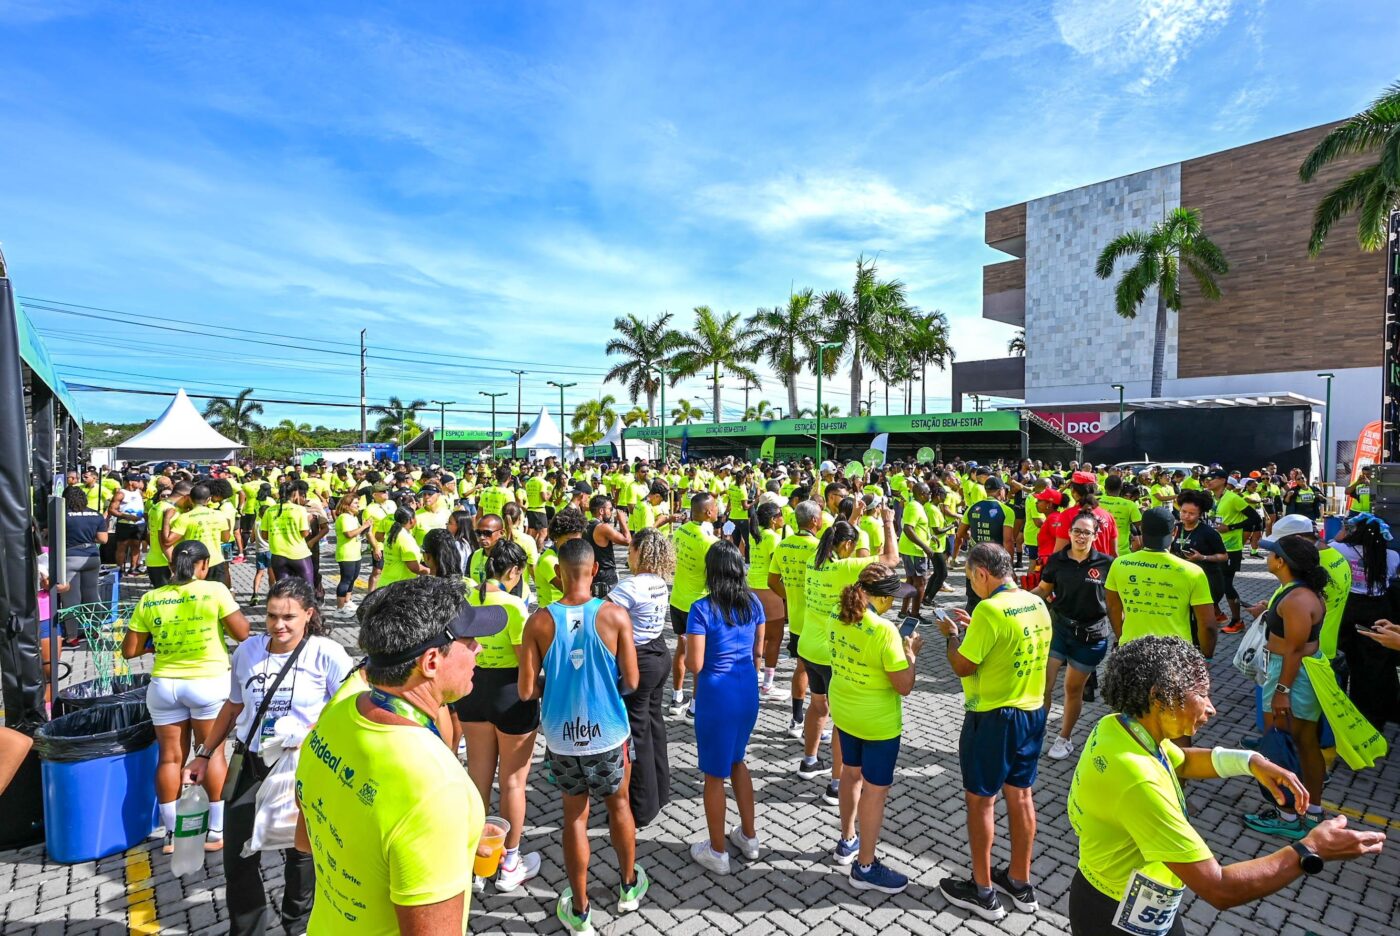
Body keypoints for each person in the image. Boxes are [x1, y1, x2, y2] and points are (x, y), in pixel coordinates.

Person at [1066, 635, 1385, 935]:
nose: (1211, 707)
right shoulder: (1140, 783)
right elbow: (1219, 888)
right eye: (1201, 694)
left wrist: (1250, 761)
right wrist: (1311, 849)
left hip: (1119, 898)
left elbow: (1183, 761)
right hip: (1119, 917)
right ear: (1158, 696)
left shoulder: (1119, 727)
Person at [295, 575, 506, 934]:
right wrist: (437, 835)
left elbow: (306, 840)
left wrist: (448, 845)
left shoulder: (337, 711)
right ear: (431, 662)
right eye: (469, 641)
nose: (479, 650)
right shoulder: (439, 790)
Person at [188, 577, 352, 936]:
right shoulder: (247, 652)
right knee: (238, 855)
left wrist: (309, 733)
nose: (279, 625)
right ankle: (247, 928)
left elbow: (348, 709)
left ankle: (299, 925)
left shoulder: (326, 654)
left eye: (289, 617)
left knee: (301, 853)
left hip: (304, 766)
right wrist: (204, 753)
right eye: (272, 616)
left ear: (309, 614)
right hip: (252, 762)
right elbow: (233, 707)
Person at [518, 538, 647, 934]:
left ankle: (580, 910)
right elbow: (632, 681)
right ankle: (628, 888)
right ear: (594, 570)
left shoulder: (538, 622)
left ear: (558, 574)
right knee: (619, 806)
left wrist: (554, 684)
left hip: (562, 738)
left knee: (574, 818)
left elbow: (526, 690)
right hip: (608, 734)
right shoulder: (615, 615)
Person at [937, 543, 1051, 922]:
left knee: (981, 801)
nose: (972, 586)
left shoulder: (989, 610)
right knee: (1021, 796)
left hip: (992, 717)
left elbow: (963, 665)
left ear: (982, 573)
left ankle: (983, 891)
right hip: (1032, 712)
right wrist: (976, 628)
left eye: (971, 579)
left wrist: (952, 635)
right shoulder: (1035, 602)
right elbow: (1010, 639)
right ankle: (1020, 881)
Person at [122, 540, 251, 854]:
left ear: (171, 565)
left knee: (169, 758)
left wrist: (156, 644)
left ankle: (171, 833)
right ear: (204, 565)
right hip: (208, 684)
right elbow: (243, 633)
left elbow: (129, 650)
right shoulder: (215, 591)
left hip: (164, 686)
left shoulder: (151, 598)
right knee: (211, 755)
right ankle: (215, 831)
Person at [453, 540, 542, 893]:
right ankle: (509, 862)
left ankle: (478, 862)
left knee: (478, 777)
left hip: (472, 692)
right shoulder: (513, 606)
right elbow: (525, 662)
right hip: (510, 694)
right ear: (514, 571)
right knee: (513, 782)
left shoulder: (466, 597)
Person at [828, 562, 920, 895]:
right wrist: (911, 655)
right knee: (875, 790)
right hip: (877, 723)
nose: (894, 603)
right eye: (892, 597)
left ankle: (847, 840)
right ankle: (865, 866)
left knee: (850, 773)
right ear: (879, 598)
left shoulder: (837, 613)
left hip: (844, 711)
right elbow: (904, 685)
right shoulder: (885, 630)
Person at [799, 511, 899, 805]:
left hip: (808, 646)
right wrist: (888, 521)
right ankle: (835, 784)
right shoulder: (845, 567)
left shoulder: (814, 560)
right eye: (853, 547)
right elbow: (891, 559)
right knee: (841, 723)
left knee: (818, 706)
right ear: (846, 546)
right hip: (830, 652)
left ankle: (809, 761)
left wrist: (853, 518)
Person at [1239, 534, 1332, 839]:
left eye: (1272, 554)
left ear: (1281, 562)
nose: (1267, 557)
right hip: (1291, 672)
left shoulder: (1297, 599)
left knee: (1284, 743)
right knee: (1303, 742)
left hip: (1292, 675)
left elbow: (1294, 650)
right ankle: (1311, 812)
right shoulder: (1294, 593)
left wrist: (1282, 692)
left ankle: (1288, 816)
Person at [684, 541, 764, 875]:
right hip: (747, 690)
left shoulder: (701, 609)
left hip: (717, 695)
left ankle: (717, 851)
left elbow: (694, 663)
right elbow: (758, 652)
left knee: (714, 775)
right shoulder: (754, 604)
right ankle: (749, 836)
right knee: (737, 761)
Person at [606, 527, 676, 827]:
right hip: (659, 654)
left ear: (639, 552)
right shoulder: (659, 581)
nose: (629, 555)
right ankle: (661, 791)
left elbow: (601, 614)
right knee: (654, 724)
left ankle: (642, 807)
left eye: (631, 549)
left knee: (638, 732)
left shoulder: (631, 586)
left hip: (639, 660)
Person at [1032, 509, 1112, 759]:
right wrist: (1015, 599)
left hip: (1090, 636)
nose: (1081, 536)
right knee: (1043, 686)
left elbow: (1116, 602)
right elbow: (1043, 590)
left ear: (1095, 535)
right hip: (1059, 629)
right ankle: (1037, 733)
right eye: (1077, 531)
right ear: (1069, 532)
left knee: (1072, 689)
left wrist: (1124, 634)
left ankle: (1064, 739)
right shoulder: (1057, 560)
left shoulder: (1107, 564)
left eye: (1086, 532)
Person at [1106, 508, 1217, 659]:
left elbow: (1113, 608)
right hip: (1175, 656)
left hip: (1131, 652)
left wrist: (1123, 639)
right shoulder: (1193, 572)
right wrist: (1206, 655)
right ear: (1175, 532)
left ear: (1141, 529)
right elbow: (1207, 625)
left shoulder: (1119, 564)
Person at [1329, 513, 1400, 731]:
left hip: (1349, 608)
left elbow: (1331, 543)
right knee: (1374, 666)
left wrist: (1342, 532)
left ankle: (1343, 712)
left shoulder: (1338, 549)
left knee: (1344, 659)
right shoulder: (1392, 555)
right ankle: (1374, 716)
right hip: (1379, 610)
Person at [771, 500, 821, 738]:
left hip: (797, 620)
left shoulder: (783, 545)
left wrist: (790, 596)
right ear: (814, 520)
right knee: (823, 675)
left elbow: (772, 580)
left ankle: (797, 720)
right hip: (818, 621)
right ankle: (818, 723)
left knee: (801, 668)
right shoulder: (819, 548)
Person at [669, 493, 719, 716]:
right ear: (708, 512)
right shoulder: (709, 542)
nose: (718, 510)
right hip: (698, 606)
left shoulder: (681, 530)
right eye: (715, 507)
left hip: (677, 601)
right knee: (701, 656)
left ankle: (676, 697)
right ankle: (695, 707)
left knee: (681, 650)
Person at [1172, 490, 1229, 631]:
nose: (1186, 516)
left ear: (1200, 514)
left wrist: (1202, 557)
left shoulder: (1209, 532)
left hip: (1207, 580)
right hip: (1183, 580)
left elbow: (1224, 556)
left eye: (1191, 513)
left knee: (1200, 622)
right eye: (1183, 511)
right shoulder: (1175, 528)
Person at [56, 485, 107, 642]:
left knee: (71, 597)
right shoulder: (96, 514)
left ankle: (72, 636)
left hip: (70, 557)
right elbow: (103, 539)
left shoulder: (62, 515)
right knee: (92, 594)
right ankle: (94, 629)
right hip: (92, 557)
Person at [748, 502, 787, 695]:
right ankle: (767, 684)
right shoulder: (773, 537)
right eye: (781, 514)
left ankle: (753, 676)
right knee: (774, 638)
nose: (783, 517)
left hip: (752, 587)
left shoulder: (755, 533)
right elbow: (777, 568)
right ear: (773, 519)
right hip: (769, 590)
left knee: (757, 636)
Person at [1204, 470, 1249, 633]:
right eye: (1207, 479)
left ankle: (1237, 621)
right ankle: (1218, 614)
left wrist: (1230, 527)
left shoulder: (1233, 498)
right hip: (1215, 547)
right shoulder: (1215, 499)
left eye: (1212, 478)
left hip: (1231, 549)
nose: (1208, 481)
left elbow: (1254, 519)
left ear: (1223, 480)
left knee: (1226, 585)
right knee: (1211, 582)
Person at [262, 481, 315, 583]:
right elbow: (305, 533)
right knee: (307, 587)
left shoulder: (269, 510)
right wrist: (308, 521)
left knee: (284, 589)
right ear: (295, 494)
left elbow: (264, 535)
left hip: (277, 555)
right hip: (299, 555)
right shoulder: (300, 509)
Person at [332, 492, 373, 608]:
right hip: (346, 554)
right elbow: (349, 534)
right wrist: (364, 526)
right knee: (346, 580)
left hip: (355, 553)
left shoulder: (353, 517)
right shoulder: (344, 517)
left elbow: (358, 533)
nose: (358, 505)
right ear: (346, 505)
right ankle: (340, 608)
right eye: (355, 503)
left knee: (352, 578)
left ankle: (347, 601)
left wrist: (367, 527)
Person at [586, 494, 631, 597]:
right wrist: (622, 521)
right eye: (610, 509)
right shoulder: (603, 527)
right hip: (607, 577)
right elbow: (627, 540)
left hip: (593, 575)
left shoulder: (587, 526)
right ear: (601, 511)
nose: (611, 512)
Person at [379, 507, 428, 587]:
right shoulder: (405, 538)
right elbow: (414, 567)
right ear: (411, 520)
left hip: (386, 582)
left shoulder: (392, 533)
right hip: (398, 585)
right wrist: (430, 571)